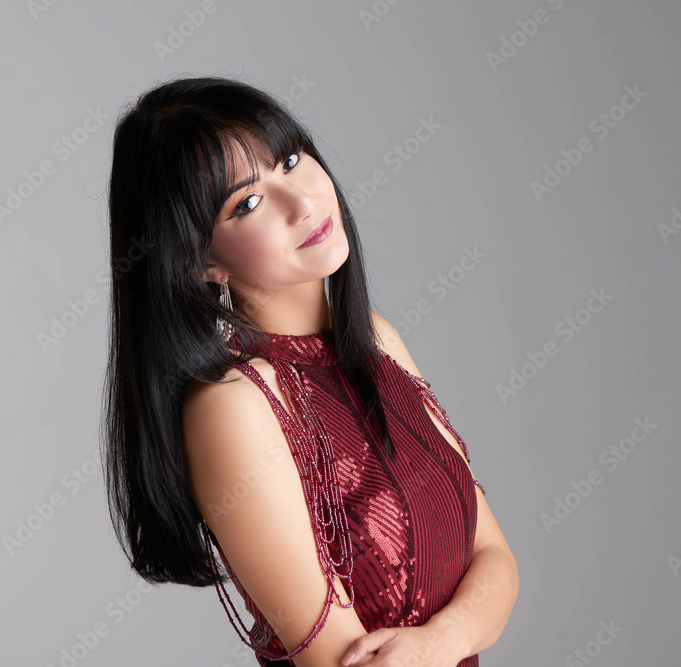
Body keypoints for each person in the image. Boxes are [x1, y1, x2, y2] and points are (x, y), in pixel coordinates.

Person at [100, 74, 518, 667]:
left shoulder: (377, 339)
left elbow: (496, 561)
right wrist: (451, 639)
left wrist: (442, 640)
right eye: (247, 203)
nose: (303, 203)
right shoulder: (235, 404)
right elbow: (340, 660)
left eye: (291, 160)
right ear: (200, 261)